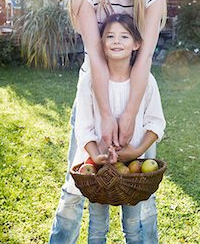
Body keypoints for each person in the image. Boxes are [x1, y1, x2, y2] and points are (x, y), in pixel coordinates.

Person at [49, 0, 167, 244]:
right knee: (77, 184)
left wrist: (130, 113)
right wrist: (104, 114)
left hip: (135, 92)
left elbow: (143, 60)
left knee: (140, 193)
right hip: (93, 92)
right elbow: (95, 58)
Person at [68, 13, 166, 243]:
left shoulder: (145, 80)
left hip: (134, 168)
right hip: (97, 168)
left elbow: (156, 121)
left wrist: (136, 151)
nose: (116, 41)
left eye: (124, 36)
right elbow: (83, 125)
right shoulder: (89, 80)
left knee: (133, 226)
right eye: (109, 36)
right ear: (101, 43)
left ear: (137, 44)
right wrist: (96, 156)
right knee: (97, 226)